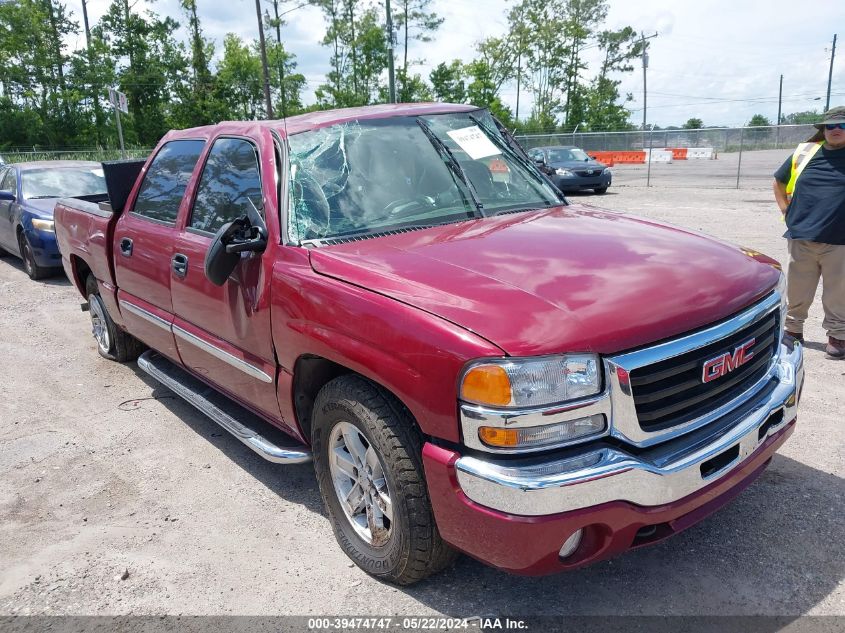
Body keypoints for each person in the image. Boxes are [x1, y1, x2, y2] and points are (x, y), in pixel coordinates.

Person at [773, 106, 845, 360]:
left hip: (840, 239)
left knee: (838, 292)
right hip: (802, 236)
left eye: (843, 126)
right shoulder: (805, 152)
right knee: (798, 289)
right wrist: (786, 213)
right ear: (823, 129)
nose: (836, 130)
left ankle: (837, 335)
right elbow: (779, 182)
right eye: (831, 126)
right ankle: (793, 331)